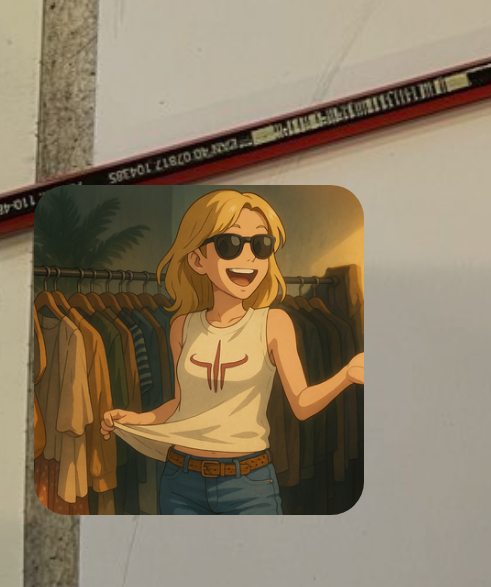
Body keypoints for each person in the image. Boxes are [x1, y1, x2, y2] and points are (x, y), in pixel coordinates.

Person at [100, 189, 363, 515]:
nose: (249, 257)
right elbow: (182, 405)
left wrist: (346, 375)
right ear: (197, 260)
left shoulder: (273, 323)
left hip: (249, 484)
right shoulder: (181, 326)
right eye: (230, 244)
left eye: (261, 245)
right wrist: (140, 419)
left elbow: (302, 404)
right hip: (180, 482)